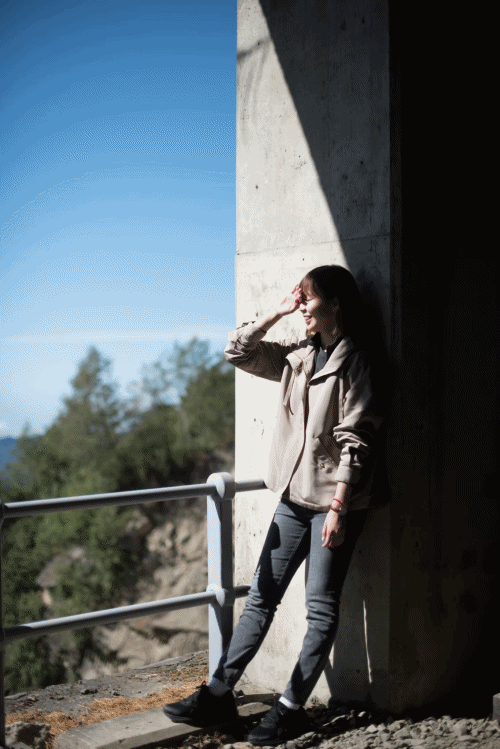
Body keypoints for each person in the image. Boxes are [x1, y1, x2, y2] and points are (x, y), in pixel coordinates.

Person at [163, 265, 384, 745]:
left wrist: (339, 507)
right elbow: (237, 352)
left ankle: (289, 709)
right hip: (293, 498)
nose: (302, 306)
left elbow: (357, 438)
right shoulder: (297, 354)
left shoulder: (357, 362)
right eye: (299, 298)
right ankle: (218, 693)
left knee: (320, 608)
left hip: (334, 503)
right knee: (262, 595)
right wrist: (276, 313)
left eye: (308, 298)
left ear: (336, 304)